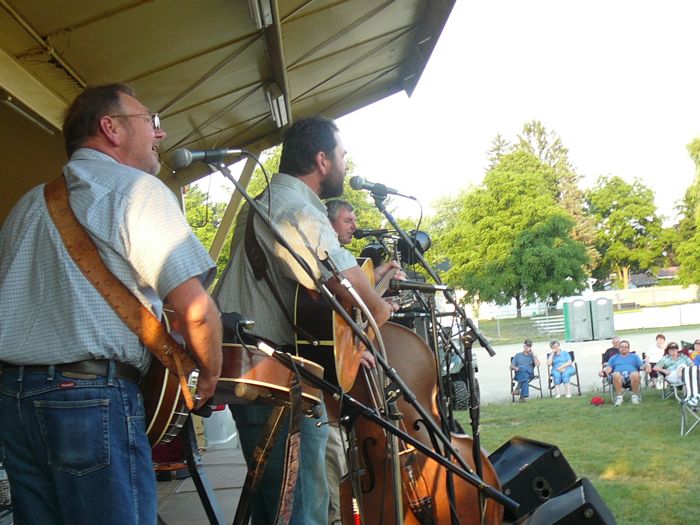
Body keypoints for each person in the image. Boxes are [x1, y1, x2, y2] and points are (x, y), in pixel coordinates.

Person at [0, 84, 223, 524]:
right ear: (111, 128)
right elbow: (195, 309)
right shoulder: (139, 191)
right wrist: (211, 372)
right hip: (89, 398)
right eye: (150, 121)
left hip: (13, 398)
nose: (159, 135)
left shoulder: (25, 207)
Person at [213, 116, 392, 525]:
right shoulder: (295, 210)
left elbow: (312, 302)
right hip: (271, 380)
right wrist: (377, 316)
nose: (346, 164)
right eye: (342, 155)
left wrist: (346, 349)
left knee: (276, 506)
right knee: (301, 508)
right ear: (322, 160)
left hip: (265, 373)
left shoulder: (269, 200)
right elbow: (349, 290)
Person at [604, 340, 644, 406]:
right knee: (616, 374)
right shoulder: (613, 358)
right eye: (622, 347)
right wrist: (605, 370)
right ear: (619, 348)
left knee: (635, 374)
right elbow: (609, 369)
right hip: (619, 378)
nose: (624, 348)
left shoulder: (634, 357)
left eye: (626, 347)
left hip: (631, 377)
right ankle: (619, 397)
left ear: (629, 348)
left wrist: (647, 365)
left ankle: (634, 397)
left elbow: (641, 366)